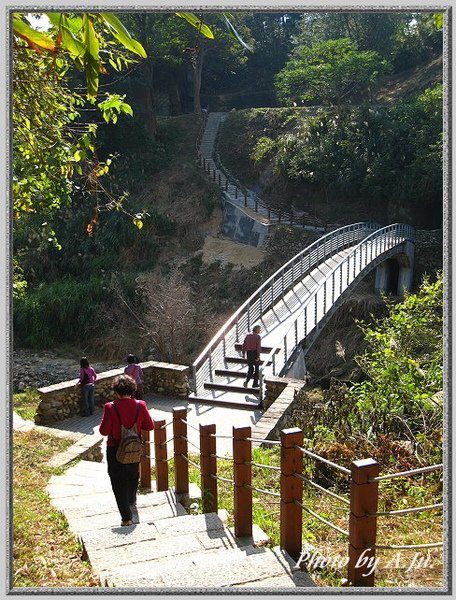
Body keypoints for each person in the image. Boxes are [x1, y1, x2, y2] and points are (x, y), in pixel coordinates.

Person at [99, 374, 154, 527]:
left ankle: (126, 517)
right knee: (132, 474)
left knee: (118, 482)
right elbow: (149, 426)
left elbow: (103, 431)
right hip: (134, 447)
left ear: (116, 391)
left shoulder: (110, 407)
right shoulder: (140, 405)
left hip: (115, 449)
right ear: (133, 389)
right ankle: (131, 500)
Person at [241, 325, 262, 389]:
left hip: (249, 353)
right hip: (255, 353)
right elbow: (258, 347)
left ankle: (246, 381)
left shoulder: (248, 335)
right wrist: (258, 356)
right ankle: (255, 383)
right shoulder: (258, 336)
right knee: (256, 369)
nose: (260, 331)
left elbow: (244, 344)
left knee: (250, 368)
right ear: (257, 329)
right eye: (259, 329)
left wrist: (243, 352)